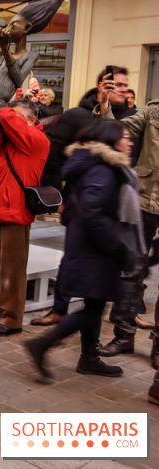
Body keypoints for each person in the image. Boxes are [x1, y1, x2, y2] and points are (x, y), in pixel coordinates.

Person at [25, 121, 142, 379]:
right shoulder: (103, 170)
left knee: (95, 304)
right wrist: (115, 245)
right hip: (96, 250)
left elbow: (73, 209)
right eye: (125, 137)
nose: (130, 142)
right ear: (110, 140)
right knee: (93, 308)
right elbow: (92, 212)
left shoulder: (91, 164)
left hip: (87, 246)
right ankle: (42, 344)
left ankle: (88, 358)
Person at [0, 99, 50, 336]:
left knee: (12, 270)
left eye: (15, 116)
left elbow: (12, 124)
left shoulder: (38, 140)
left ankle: (12, 319)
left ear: (31, 120)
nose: (9, 119)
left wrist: (5, 112)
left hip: (15, 212)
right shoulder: (13, 141)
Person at [96, 91, 159, 368]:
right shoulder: (153, 111)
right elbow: (117, 130)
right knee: (132, 269)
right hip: (146, 199)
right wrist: (104, 107)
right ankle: (123, 335)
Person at [0, 0, 67, 108]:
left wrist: (5, 49)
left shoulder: (30, 56)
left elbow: (18, 80)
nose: (7, 30)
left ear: (27, 28)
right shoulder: (5, 56)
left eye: (13, 27)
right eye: (8, 25)